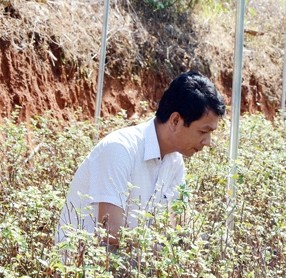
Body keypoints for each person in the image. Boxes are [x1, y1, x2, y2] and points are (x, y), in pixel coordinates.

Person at [55, 71, 226, 250]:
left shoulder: (174, 161)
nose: (207, 142)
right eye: (203, 132)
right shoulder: (120, 149)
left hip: (132, 266)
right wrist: (162, 250)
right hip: (85, 267)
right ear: (175, 120)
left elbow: (182, 225)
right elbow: (109, 232)